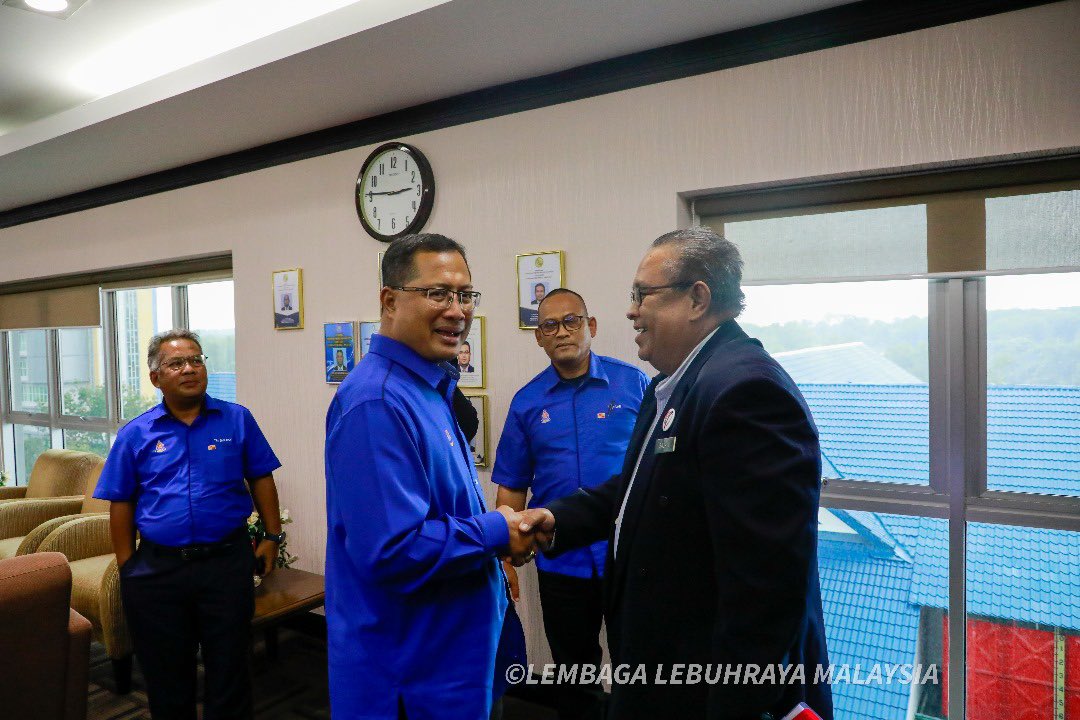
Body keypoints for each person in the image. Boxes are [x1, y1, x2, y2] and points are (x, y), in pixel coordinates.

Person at [519, 228, 833, 720]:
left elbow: (766, 592)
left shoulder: (745, 391)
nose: (631, 310)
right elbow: (640, 489)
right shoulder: (670, 385)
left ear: (697, 298)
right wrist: (558, 519)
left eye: (643, 295)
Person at [324, 233, 530, 720]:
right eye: (438, 293)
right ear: (389, 300)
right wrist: (498, 529)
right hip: (412, 675)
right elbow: (393, 550)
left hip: (456, 654)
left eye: (465, 294)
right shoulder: (377, 402)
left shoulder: (430, 386)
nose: (457, 310)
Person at [94, 329, 284, 720]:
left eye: (196, 360)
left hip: (226, 563)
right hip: (158, 570)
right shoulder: (135, 434)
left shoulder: (237, 419)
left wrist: (271, 536)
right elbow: (121, 502)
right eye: (175, 363)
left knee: (230, 669)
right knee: (167, 675)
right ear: (155, 378)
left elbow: (262, 477)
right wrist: (129, 566)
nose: (189, 369)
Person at [494, 288, 647, 720]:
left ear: (591, 326)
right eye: (549, 325)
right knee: (575, 673)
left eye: (571, 321)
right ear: (538, 338)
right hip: (560, 560)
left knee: (638, 664)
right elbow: (511, 489)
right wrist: (507, 561)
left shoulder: (632, 383)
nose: (561, 332)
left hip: (627, 555)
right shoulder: (527, 402)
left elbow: (655, 471)